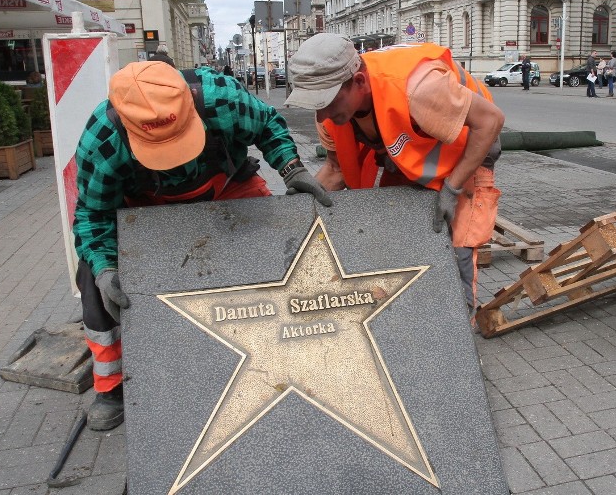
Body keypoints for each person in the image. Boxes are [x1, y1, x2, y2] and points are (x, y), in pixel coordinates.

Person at [73, 61, 332, 430]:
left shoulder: (221, 97)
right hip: (147, 208)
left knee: (279, 250)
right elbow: (92, 214)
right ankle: (111, 386)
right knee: (94, 279)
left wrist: (293, 169)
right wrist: (104, 267)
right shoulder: (103, 138)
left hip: (227, 186)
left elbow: (269, 125)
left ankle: (289, 350)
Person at [285, 34, 504, 316]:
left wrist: (452, 187)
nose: (322, 115)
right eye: (316, 104)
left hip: (470, 146)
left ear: (359, 83)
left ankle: (458, 336)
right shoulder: (330, 115)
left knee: (454, 254)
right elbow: (336, 170)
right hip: (414, 149)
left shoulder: (419, 89)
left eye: (327, 101)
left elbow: (490, 121)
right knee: (398, 240)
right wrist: (298, 211)